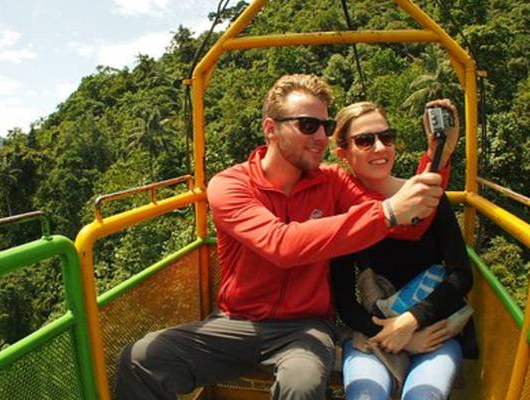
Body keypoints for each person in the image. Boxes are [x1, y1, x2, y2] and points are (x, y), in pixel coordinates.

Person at [114, 74, 456, 400]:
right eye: (308, 125)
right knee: (139, 358)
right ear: (270, 129)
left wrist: (437, 158)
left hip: (304, 328)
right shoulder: (232, 185)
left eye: (325, 125)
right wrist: (386, 212)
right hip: (237, 322)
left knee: (302, 385)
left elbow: (410, 225)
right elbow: (281, 245)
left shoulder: (333, 182)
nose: (321, 136)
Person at [330, 100, 477, 400]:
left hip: (433, 327)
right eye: (364, 140)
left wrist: (411, 323)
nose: (380, 147)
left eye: (387, 137)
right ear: (343, 153)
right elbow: (345, 300)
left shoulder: (426, 196)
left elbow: (460, 276)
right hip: (374, 330)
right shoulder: (344, 210)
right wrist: (400, 337)